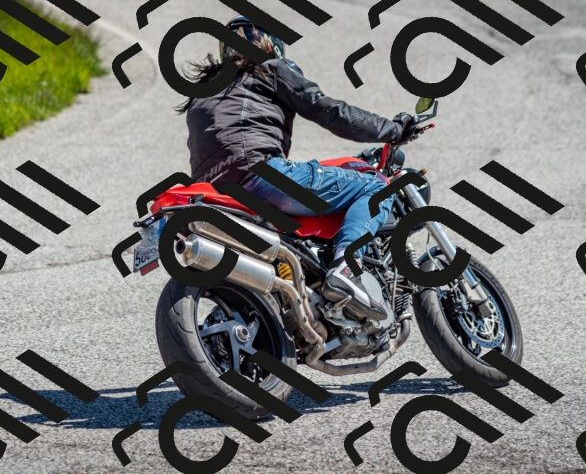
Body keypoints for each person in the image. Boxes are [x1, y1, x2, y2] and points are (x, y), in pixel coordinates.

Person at [179, 16, 423, 320]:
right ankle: (347, 268)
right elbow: (332, 113)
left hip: (217, 194)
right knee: (377, 187)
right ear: (270, 44)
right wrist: (392, 129)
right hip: (261, 176)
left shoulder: (202, 94)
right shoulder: (270, 70)